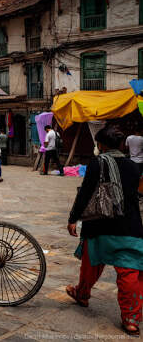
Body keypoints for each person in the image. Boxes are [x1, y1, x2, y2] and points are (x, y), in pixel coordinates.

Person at [65, 126, 143, 336]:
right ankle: (131, 320)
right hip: (129, 226)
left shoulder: (97, 164)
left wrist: (73, 219)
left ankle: (82, 294)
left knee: (91, 264)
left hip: (99, 224)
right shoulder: (134, 167)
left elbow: (85, 194)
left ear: (101, 145)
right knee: (130, 272)